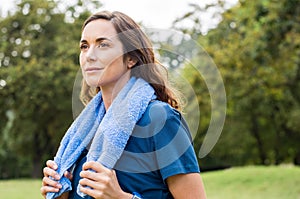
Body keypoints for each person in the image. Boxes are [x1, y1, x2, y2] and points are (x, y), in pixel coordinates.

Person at [41, 11, 207, 199]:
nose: (89, 56)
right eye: (84, 46)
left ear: (131, 58)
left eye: (103, 45)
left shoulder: (160, 119)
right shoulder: (84, 131)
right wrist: (62, 195)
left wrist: (120, 197)